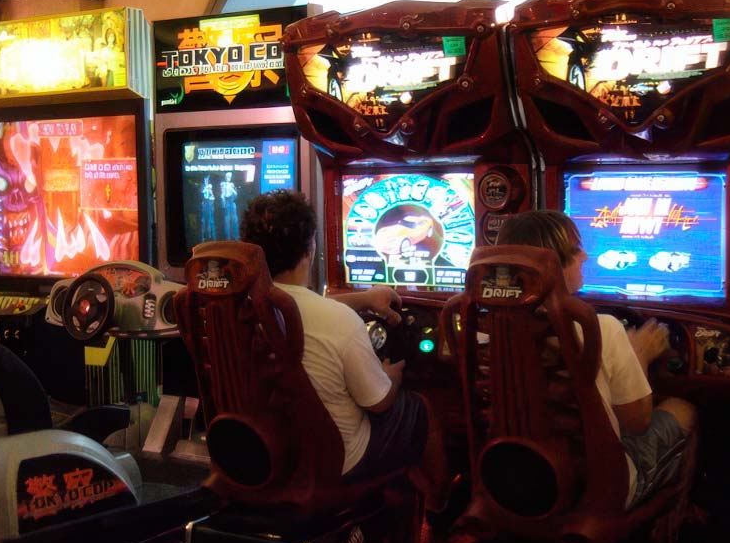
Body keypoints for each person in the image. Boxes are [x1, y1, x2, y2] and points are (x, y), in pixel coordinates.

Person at [239, 189, 449, 507]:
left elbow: (300, 305)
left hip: (258, 456)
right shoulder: (336, 319)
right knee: (419, 408)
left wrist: (363, 299)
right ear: (310, 247)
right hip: (335, 462)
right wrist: (390, 375)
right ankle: (439, 512)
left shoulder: (237, 309)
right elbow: (377, 403)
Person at [495, 210, 696, 510]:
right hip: (595, 486)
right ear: (552, 266)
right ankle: (665, 536)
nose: (586, 256)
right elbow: (637, 422)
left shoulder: (483, 328)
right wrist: (638, 354)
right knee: (684, 409)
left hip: (508, 478)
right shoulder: (600, 328)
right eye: (575, 250)